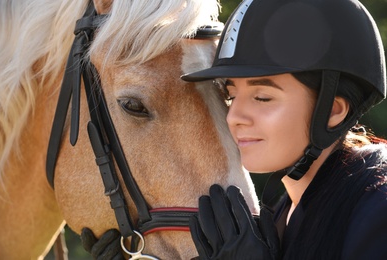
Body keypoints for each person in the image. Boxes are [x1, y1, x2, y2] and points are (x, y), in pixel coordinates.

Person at [81, 0, 387, 259]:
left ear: (332, 110)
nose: (234, 117)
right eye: (230, 95)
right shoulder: (283, 214)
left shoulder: (378, 207)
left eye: (262, 97)